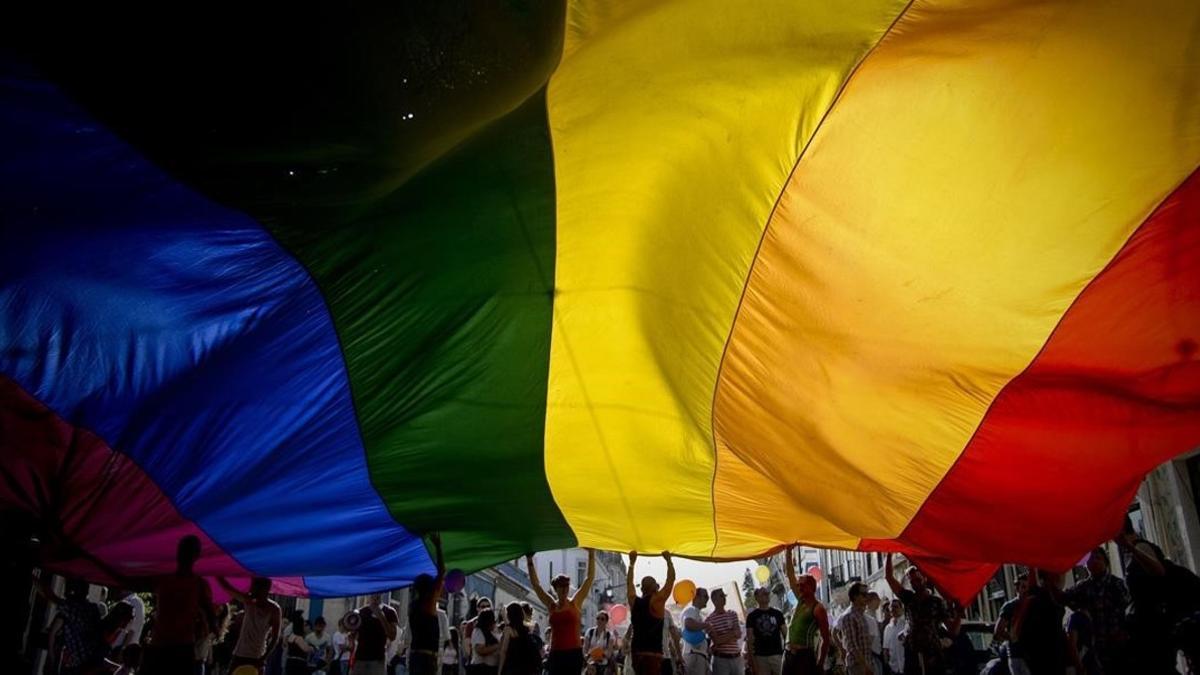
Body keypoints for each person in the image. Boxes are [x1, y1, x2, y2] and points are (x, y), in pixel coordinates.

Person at [148, 536, 217, 675]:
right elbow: (211, 618)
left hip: (173, 645)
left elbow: (211, 617)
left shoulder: (197, 584)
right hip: (170, 646)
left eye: (187, 551)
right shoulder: (167, 580)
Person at [527, 549, 595, 675]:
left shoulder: (575, 602)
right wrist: (530, 561)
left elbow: (589, 579)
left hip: (573, 653)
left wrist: (591, 554)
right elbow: (536, 585)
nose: (564, 590)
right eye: (561, 587)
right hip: (556, 653)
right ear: (555, 589)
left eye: (566, 586)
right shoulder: (551, 605)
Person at [1066, 548, 1128, 674]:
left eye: (1097, 558)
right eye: (1089, 559)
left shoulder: (1117, 584)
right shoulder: (1084, 587)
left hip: (1119, 647)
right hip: (1097, 650)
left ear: (1105, 562)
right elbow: (1064, 598)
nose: (1093, 562)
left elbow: (1128, 609)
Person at [884, 554, 946, 675]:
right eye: (912, 581)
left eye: (918, 579)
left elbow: (952, 629)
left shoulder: (936, 602)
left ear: (925, 579)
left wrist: (959, 613)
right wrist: (889, 552)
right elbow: (889, 577)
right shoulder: (909, 598)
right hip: (913, 652)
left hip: (932, 652)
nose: (915, 583)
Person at [39, 577, 107, 675]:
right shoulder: (93, 609)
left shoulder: (71, 608)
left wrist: (51, 656)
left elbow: (50, 596)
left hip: (78, 663)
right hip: (91, 661)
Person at [219, 577, 283, 674]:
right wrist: (218, 576)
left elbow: (275, 637)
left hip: (257, 657)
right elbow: (228, 588)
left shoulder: (274, 609)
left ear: (265, 589)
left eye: (255, 587)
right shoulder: (249, 602)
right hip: (240, 654)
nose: (252, 590)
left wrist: (264, 658)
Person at [1008, 569, 1067, 675]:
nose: (1063, 577)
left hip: (1054, 658)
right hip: (1043, 660)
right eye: (1059, 573)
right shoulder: (1037, 598)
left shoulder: (1056, 596)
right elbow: (1018, 634)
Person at [626, 551, 676, 675]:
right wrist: (668, 561)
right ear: (655, 588)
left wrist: (632, 564)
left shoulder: (634, 601)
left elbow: (629, 584)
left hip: (637, 653)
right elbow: (671, 580)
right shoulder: (657, 601)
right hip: (653, 655)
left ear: (642, 589)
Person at [783, 547, 830, 675]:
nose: (799, 588)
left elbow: (826, 638)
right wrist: (788, 552)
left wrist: (820, 663)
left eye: (802, 585)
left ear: (811, 587)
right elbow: (790, 575)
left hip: (804, 656)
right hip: (788, 655)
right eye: (798, 585)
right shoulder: (800, 601)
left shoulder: (818, 608)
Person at [350, 594, 400, 675]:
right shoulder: (361, 612)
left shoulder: (389, 612)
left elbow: (392, 636)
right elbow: (354, 636)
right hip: (360, 660)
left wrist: (380, 615)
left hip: (378, 660)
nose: (375, 595)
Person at [746, 588, 785, 675]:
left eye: (767, 593)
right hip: (760, 657)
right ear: (757, 597)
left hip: (777, 655)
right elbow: (750, 639)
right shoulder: (752, 616)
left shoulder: (777, 614)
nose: (766, 594)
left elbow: (786, 634)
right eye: (763, 593)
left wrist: (788, 654)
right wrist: (752, 661)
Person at [702, 589, 741, 675]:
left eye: (724, 596)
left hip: (737, 658)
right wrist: (732, 633)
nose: (724, 598)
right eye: (721, 596)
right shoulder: (709, 620)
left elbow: (738, 634)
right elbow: (717, 641)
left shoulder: (732, 614)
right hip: (721, 660)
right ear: (714, 600)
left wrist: (722, 638)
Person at [837, 584, 871, 675]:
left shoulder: (861, 616)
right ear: (855, 596)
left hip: (866, 663)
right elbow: (852, 646)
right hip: (857, 666)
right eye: (864, 594)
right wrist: (865, 666)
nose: (867, 597)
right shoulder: (849, 617)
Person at [499, 602, 541, 675]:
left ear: (509, 615)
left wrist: (499, 671)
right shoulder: (527, 630)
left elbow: (504, 652)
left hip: (512, 668)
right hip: (525, 669)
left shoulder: (508, 630)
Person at [680, 587, 709, 675]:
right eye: (705, 596)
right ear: (696, 597)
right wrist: (707, 625)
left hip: (698, 655)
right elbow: (689, 624)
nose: (707, 599)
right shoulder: (691, 609)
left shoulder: (696, 612)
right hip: (694, 655)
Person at [110, 589, 146, 655]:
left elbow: (132, 630)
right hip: (119, 649)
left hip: (122, 651)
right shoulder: (132, 601)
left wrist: (122, 652)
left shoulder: (134, 602)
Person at [470, 609, 501, 675]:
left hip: (493, 668)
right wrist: (496, 646)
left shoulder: (494, 631)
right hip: (482, 668)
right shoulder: (478, 631)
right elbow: (480, 650)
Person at [585, 611, 617, 675]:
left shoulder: (609, 635)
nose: (599, 620)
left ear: (606, 621)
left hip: (603, 665)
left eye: (602, 619)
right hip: (590, 664)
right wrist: (588, 655)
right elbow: (585, 648)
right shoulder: (590, 632)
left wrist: (599, 653)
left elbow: (609, 653)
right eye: (598, 618)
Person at [881, 601, 905, 675]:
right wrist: (887, 664)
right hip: (894, 667)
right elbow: (886, 649)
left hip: (906, 665)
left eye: (896, 607)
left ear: (901, 609)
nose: (893, 609)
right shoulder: (888, 628)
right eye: (891, 608)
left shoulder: (906, 624)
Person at [864, 594, 883, 675]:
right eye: (877, 599)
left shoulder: (874, 615)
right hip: (872, 654)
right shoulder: (868, 616)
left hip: (876, 653)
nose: (879, 601)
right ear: (871, 601)